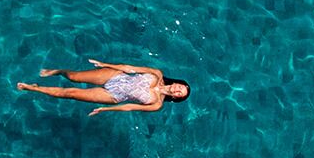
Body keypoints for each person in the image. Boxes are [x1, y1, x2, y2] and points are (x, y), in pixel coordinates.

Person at [15, 59, 190, 115]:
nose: (176, 89)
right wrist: (104, 64)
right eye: (180, 86)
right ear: (176, 82)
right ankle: (58, 71)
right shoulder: (157, 74)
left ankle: (34, 88)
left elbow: (130, 107)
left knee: (70, 93)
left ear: (176, 97)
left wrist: (105, 109)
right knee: (73, 76)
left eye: (179, 92)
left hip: (113, 95)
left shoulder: (157, 104)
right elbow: (130, 68)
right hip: (115, 76)